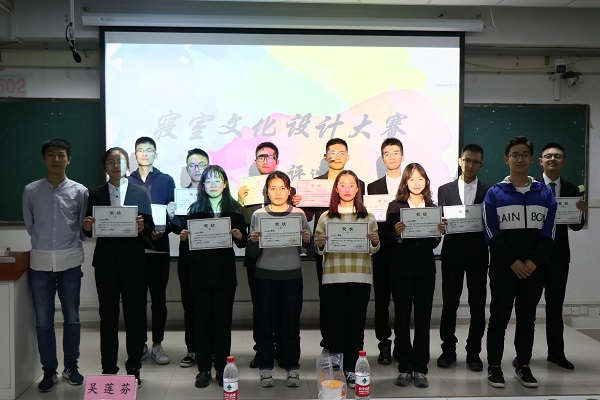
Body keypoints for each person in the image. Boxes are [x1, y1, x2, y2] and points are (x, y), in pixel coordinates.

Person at [483, 136, 556, 389]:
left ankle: (523, 365)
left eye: (525, 154)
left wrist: (533, 262)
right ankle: (494, 366)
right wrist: (513, 261)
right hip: (504, 269)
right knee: (499, 318)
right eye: (515, 155)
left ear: (532, 159)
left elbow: (549, 233)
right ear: (507, 159)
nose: (520, 159)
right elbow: (491, 233)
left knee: (527, 319)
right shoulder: (495, 193)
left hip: (534, 270)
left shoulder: (545, 193)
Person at [82, 147, 154, 388]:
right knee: (108, 316)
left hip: (134, 264)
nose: (116, 166)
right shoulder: (95, 194)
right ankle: (108, 368)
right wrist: (87, 226)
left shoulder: (139, 192)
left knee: (135, 316)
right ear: (105, 166)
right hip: (105, 264)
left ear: (127, 166)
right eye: (111, 162)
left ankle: (134, 367)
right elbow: (87, 229)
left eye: (120, 162)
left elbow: (149, 227)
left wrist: (143, 227)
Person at [23, 138, 88, 392]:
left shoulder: (80, 191)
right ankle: (49, 370)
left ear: (68, 159)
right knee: (43, 321)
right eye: (51, 154)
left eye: (61, 155)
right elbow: (31, 226)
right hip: (39, 264)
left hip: (70, 261)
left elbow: (82, 226)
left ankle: (71, 366)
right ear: (44, 159)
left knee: (72, 318)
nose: (56, 159)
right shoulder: (31, 190)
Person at [176, 165, 247, 389]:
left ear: (225, 184)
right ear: (202, 185)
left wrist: (239, 235)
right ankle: (204, 369)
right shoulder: (194, 209)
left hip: (224, 274)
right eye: (208, 181)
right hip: (199, 275)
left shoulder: (236, 209)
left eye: (218, 181)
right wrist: (184, 238)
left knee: (223, 323)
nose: (213, 185)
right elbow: (187, 248)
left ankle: (222, 367)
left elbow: (243, 243)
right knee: (202, 322)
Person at [314, 170, 379, 389]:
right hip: (333, 278)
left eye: (352, 185)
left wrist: (375, 241)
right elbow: (318, 248)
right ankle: (337, 372)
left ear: (358, 188)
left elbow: (374, 248)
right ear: (336, 189)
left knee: (355, 326)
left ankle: (352, 370)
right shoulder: (326, 217)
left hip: (360, 276)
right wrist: (320, 243)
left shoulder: (367, 216)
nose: (347, 189)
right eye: (343, 185)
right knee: (335, 327)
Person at [247, 171, 312, 388]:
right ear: (266, 191)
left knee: (291, 325)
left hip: (292, 276)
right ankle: (266, 368)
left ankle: (292, 368)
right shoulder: (258, 215)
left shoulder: (298, 214)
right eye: (272, 188)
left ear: (289, 191)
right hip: (264, 277)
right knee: (265, 325)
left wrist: (307, 240)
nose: (277, 193)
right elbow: (252, 252)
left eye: (282, 188)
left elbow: (307, 249)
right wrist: (253, 242)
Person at [238, 142, 299, 369]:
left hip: (283, 258)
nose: (265, 160)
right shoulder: (247, 188)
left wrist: (297, 202)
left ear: (277, 161)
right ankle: (262, 351)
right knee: (261, 309)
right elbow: (244, 221)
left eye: (270, 157)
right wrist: (240, 201)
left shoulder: (287, 189)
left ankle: (283, 351)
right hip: (257, 258)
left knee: (284, 310)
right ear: (256, 162)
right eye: (261, 157)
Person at [300, 138, 365, 353]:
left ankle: (350, 347)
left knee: (352, 302)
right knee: (327, 298)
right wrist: (299, 203)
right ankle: (329, 342)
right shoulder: (315, 184)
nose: (337, 156)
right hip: (327, 250)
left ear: (348, 156)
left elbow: (363, 213)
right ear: (325, 156)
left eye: (341, 152)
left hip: (354, 252)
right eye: (332, 152)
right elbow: (307, 216)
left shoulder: (357, 183)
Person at [384, 163, 444, 389]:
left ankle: (420, 368)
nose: (416, 183)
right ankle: (404, 367)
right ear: (405, 182)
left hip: (425, 271)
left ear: (426, 181)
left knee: (423, 320)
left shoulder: (432, 207)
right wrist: (396, 233)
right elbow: (387, 240)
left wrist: (439, 233)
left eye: (421, 179)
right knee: (401, 319)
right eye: (412, 179)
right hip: (400, 271)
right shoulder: (395, 207)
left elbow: (433, 243)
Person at [436, 144, 490, 372]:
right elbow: (440, 218)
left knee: (478, 305)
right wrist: (441, 224)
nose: (470, 165)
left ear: (481, 164)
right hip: (452, 254)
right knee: (450, 304)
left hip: (478, 255)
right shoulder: (444, 190)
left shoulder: (489, 191)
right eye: (467, 160)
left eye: (475, 161)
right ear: (460, 161)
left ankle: (474, 353)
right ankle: (448, 350)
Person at [535, 142, 586, 370]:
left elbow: (575, 226)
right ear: (541, 161)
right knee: (527, 307)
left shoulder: (572, 189)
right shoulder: (531, 187)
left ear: (564, 161)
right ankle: (523, 355)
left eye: (557, 156)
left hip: (558, 257)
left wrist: (581, 214)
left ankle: (556, 353)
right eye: (548, 156)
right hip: (533, 256)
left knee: (555, 307)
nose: (552, 159)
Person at [128, 136, 176, 365]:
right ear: (134, 154)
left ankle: (157, 344)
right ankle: (139, 345)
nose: (145, 154)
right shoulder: (126, 181)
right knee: (135, 302)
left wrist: (164, 229)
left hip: (159, 249)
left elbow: (175, 214)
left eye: (149, 150)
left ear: (155, 154)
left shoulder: (166, 180)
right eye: (140, 150)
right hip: (135, 250)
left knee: (159, 301)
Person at [167, 148, 210, 368]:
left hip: (211, 259)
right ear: (187, 168)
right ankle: (192, 349)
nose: (197, 169)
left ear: (208, 166)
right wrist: (172, 215)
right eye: (192, 165)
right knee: (190, 306)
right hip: (188, 260)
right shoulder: (180, 196)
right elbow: (176, 228)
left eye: (201, 165)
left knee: (211, 307)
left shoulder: (216, 194)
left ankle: (212, 350)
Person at [366, 138, 404, 365]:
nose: (391, 157)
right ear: (383, 158)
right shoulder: (373, 187)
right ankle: (384, 345)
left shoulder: (411, 183)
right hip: (381, 251)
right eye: (387, 153)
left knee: (402, 301)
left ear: (402, 156)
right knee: (381, 301)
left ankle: (401, 344)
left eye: (395, 152)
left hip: (404, 252)